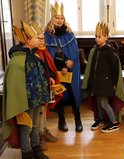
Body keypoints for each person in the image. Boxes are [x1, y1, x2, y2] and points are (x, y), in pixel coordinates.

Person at [3, 20, 49, 159]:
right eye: (36, 38)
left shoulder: (34, 56)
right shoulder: (16, 61)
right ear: (28, 41)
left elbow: (41, 77)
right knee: (25, 127)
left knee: (35, 126)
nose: (39, 40)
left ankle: (36, 149)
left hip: (36, 99)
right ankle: (26, 152)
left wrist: (43, 96)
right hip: (24, 102)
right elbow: (14, 84)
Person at [44, 2, 83, 132]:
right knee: (58, 93)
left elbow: (74, 51)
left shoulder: (69, 34)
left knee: (73, 94)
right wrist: (55, 68)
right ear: (52, 19)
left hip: (70, 67)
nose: (59, 20)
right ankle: (62, 120)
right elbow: (48, 55)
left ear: (64, 19)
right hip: (55, 68)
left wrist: (71, 61)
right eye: (57, 17)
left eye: (61, 18)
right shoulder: (46, 36)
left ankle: (78, 120)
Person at [82, 22, 124, 133]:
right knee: (98, 102)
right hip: (96, 83)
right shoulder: (95, 50)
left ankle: (114, 123)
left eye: (100, 36)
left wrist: (114, 83)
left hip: (106, 84)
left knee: (104, 103)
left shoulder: (110, 52)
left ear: (106, 37)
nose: (97, 39)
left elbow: (115, 69)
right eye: (96, 36)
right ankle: (100, 119)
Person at [32, 22, 60, 150]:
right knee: (39, 113)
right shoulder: (33, 54)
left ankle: (44, 130)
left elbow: (50, 68)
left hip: (47, 87)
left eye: (43, 38)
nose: (42, 41)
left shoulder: (45, 51)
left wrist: (53, 77)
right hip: (38, 88)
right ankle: (40, 136)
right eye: (39, 38)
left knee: (44, 111)